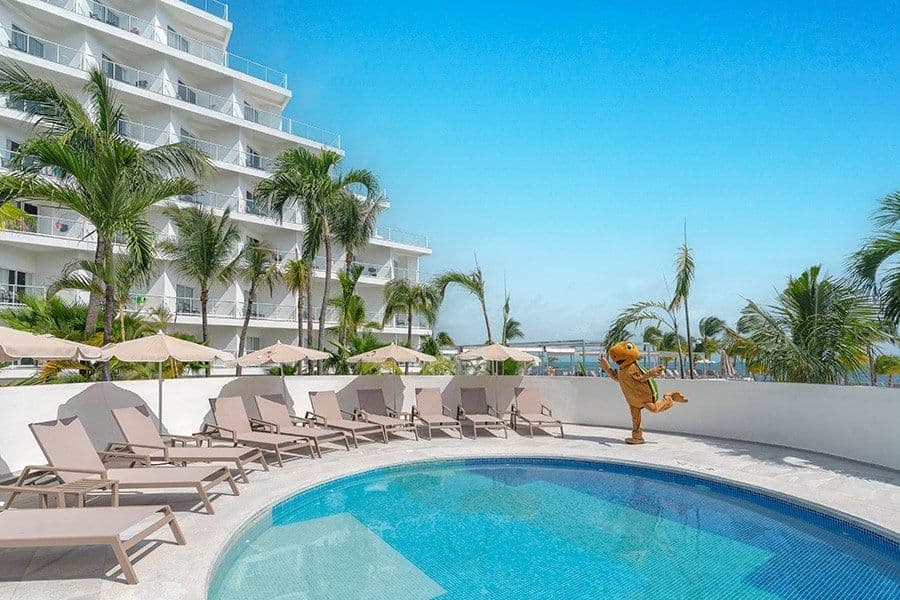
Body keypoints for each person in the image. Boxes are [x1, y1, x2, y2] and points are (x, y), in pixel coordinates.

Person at [599, 341, 687, 444]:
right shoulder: (622, 370)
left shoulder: (633, 368)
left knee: (653, 408)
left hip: (643, 397)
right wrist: (607, 368)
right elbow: (616, 378)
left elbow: (641, 378)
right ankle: (637, 437)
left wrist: (652, 372)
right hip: (632, 400)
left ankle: (669, 398)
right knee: (635, 419)